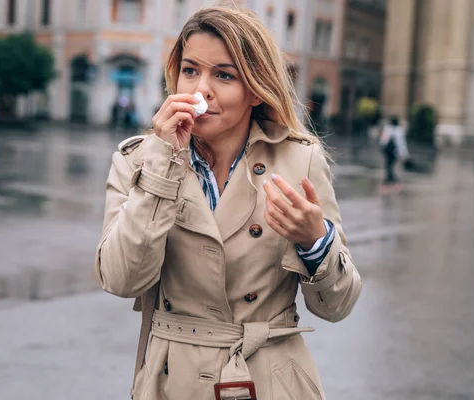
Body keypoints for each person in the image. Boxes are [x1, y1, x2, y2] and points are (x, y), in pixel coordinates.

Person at [94, 6, 362, 400]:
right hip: (173, 379)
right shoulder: (138, 161)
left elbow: (337, 305)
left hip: (270, 379)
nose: (200, 89)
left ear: (255, 88)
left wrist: (315, 241)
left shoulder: (298, 160)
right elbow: (120, 280)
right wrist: (163, 167)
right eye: (190, 70)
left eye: (223, 75)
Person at [379, 115, 409, 194]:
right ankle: (393, 184)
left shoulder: (387, 129)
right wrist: (404, 155)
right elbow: (401, 144)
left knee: (388, 168)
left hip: (387, 152)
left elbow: (383, 141)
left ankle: (388, 185)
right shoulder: (399, 131)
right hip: (395, 153)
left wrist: (382, 149)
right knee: (389, 168)